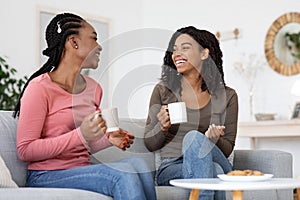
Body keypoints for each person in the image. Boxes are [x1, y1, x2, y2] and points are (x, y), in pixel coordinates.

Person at [13, 12, 156, 200]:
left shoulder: (94, 88)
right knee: (124, 174)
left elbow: (88, 142)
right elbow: (25, 150)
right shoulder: (39, 88)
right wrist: (81, 134)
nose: (99, 46)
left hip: (83, 170)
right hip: (46, 175)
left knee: (140, 166)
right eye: (94, 39)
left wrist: (108, 139)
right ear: (73, 42)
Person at [144, 26, 238, 200]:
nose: (177, 53)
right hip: (172, 167)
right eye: (174, 49)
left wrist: (212, 140)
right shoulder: (163, 91)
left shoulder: (227, 96)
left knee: (195, 139)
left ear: (204, 54)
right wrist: (161, 127)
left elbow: (228, 148)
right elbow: (150, 143)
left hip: (215, 157)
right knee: (214, 171)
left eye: (185, 47)